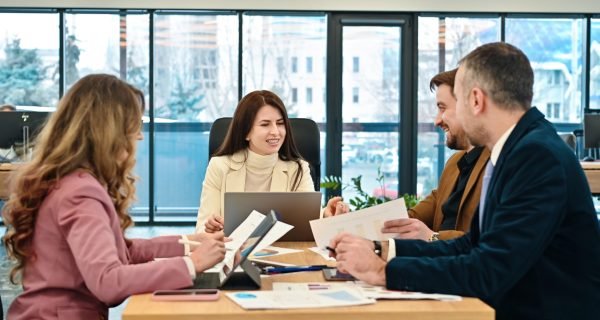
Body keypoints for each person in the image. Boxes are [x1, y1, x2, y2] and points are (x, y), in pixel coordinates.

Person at [328, 42, 600, 319]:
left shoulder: (536, 156)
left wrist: (380, 272)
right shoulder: (517, 148)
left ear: (476, 100)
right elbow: (471, 244)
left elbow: (488, 270)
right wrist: (384, 249)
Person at [2, 74, 226, 319]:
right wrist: (192, 264)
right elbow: (108, 281)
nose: (139, 137)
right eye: (133, 126)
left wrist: (192, 243)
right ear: (108, 131)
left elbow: (123, 251)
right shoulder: (80, 192)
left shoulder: (69, 182)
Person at [325, 69, 490, 241]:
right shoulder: (455, 164)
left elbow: (490, 242)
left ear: (472, 105)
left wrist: (432, 238)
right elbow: (407, 219)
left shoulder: (497, 166)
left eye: (442, 108)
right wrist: (347, 223)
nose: (437, 120)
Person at [197, 90, 344, 233]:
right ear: (246, 132)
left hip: (281, 254)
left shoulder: (297, 168)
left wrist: (326, 215)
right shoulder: (220, 166)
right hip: (232, 253)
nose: (275, 131)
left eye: (280, 123)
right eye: (265, 124)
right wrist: (210, 228)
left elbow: (309, 221)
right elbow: (202, 229)